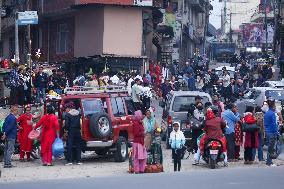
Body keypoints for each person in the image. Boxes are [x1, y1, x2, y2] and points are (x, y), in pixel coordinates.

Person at [264, 98, 278, 166]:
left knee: (270, 147)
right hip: (272, 132)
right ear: (273, 106)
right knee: (271, 148)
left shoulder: (267, 113)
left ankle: (269, 161)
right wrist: (276, 132)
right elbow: (274, 124)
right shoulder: (272, 114)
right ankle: (269, 162)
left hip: (267, 131)